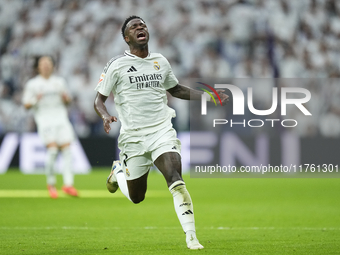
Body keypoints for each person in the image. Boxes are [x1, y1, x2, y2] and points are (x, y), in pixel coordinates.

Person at [94, 16, 228, 250]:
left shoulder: (160, 61)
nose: (140, 28)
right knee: (137, 197)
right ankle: (118, 170)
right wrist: (105, 116)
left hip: (161, 131)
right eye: (134, 27)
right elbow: (98, 100)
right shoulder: (116, 65)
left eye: (143, 25)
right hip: (133, 137)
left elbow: (175, 89)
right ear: (127, 38)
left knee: (175, 178)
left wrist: (209, 96)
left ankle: (191, 236)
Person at [22, 56, 78, 199]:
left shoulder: (59, 82)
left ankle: (68, 184)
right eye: (43, 63)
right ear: (38, 67)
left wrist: (66, 99)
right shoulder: (33, 84)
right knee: (52, 150)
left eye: (49, 63)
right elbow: (26, 105)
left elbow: (68, 101)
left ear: (53, 66)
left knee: (67, 150)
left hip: (61, 119)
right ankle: (51, 183)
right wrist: (36, 99)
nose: (46, 65)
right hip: (45, 121)